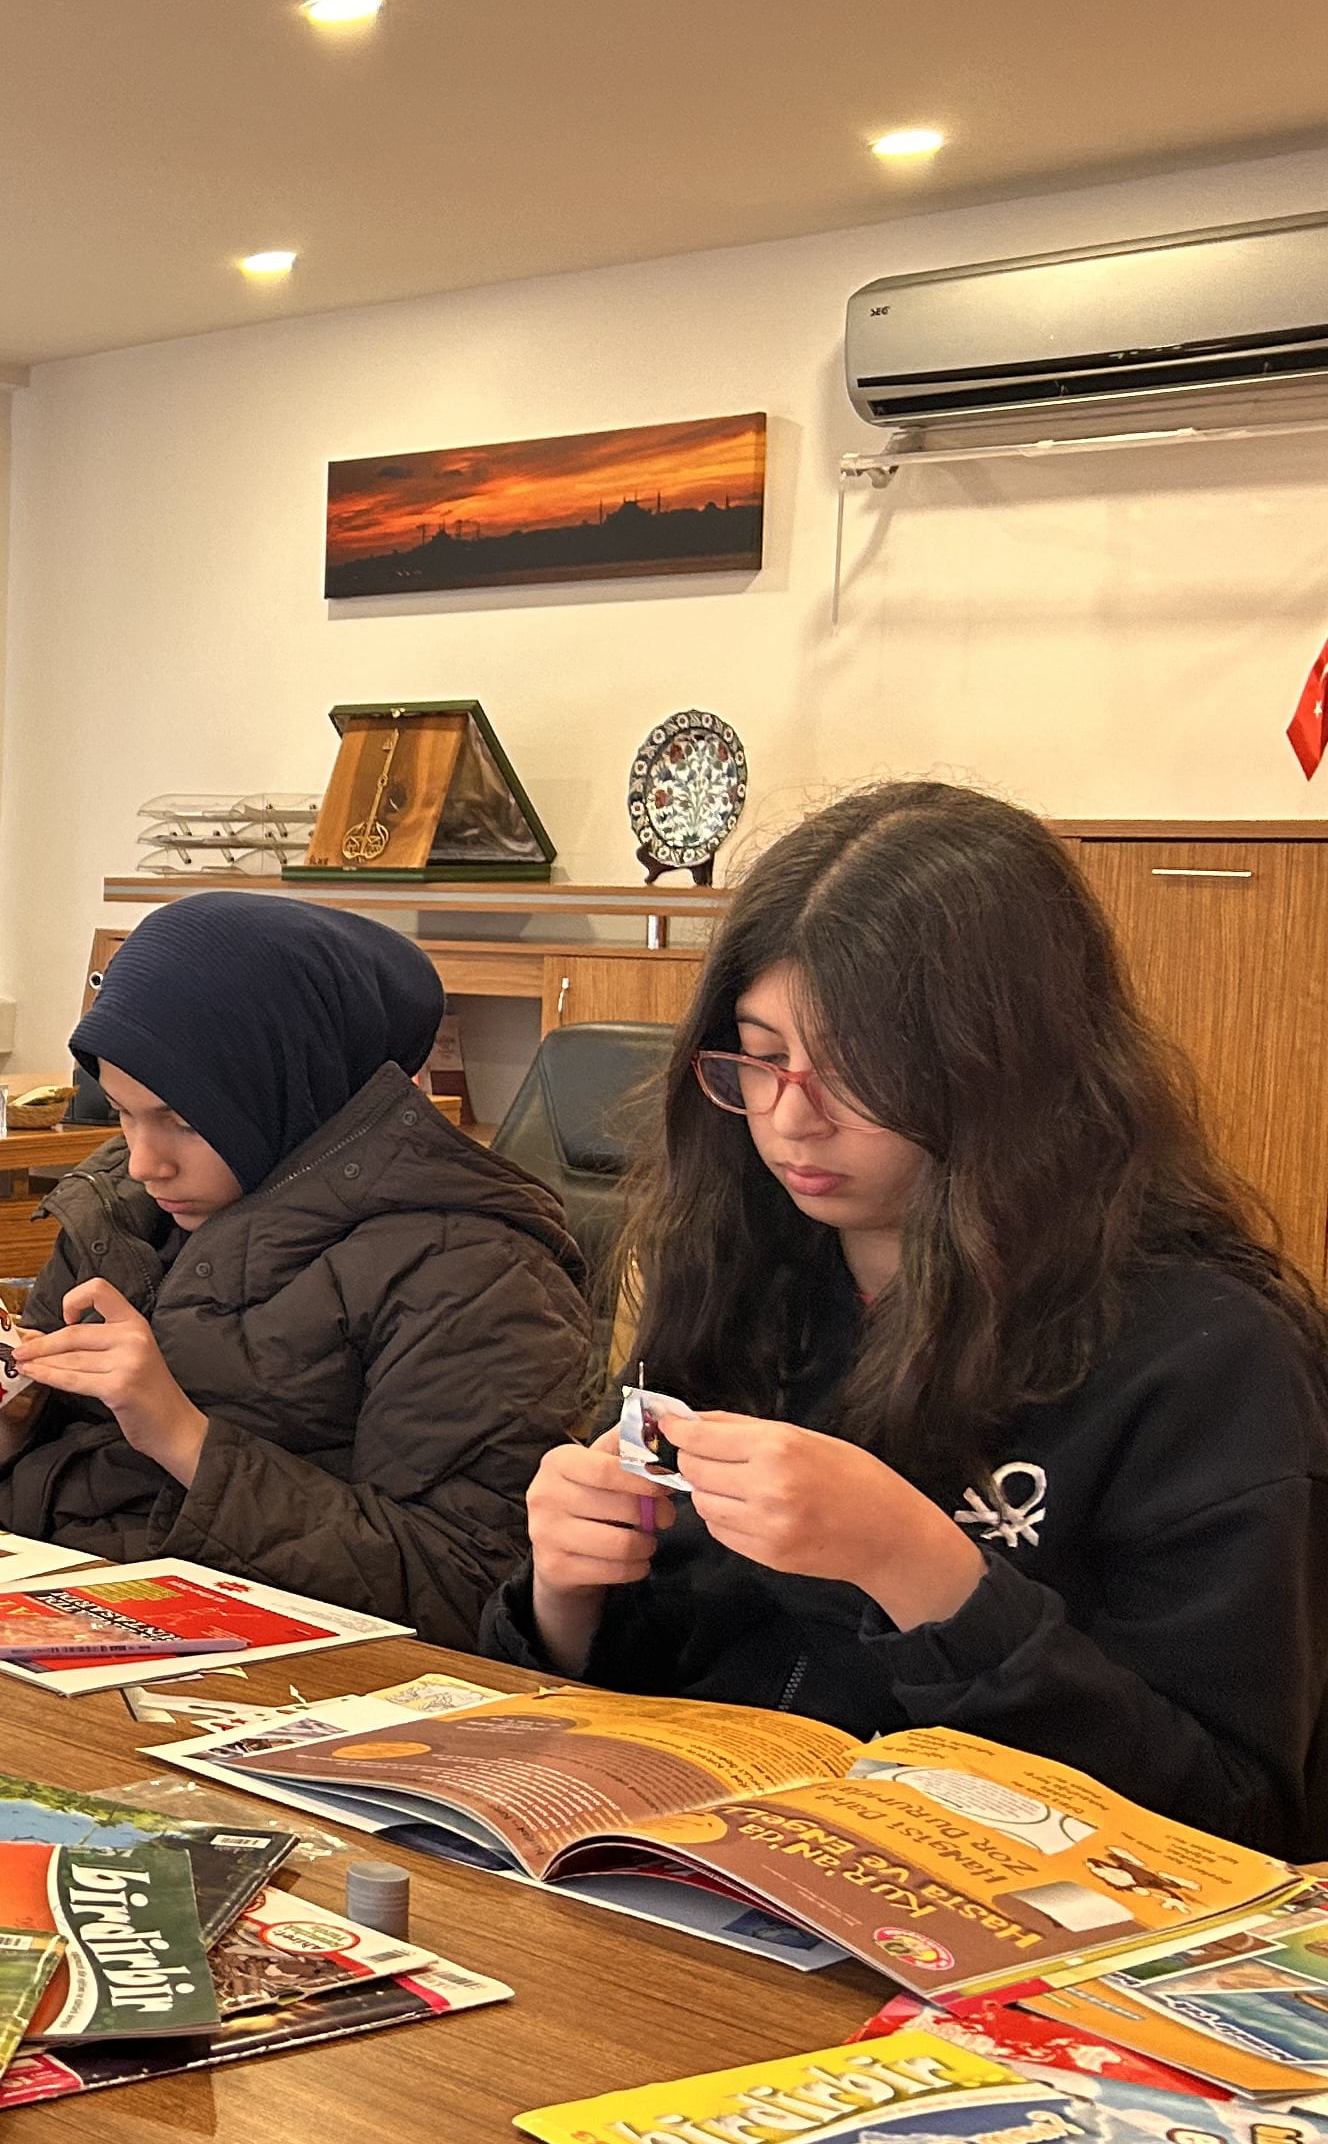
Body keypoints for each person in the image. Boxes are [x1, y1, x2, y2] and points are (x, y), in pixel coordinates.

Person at [509, 781, 1328, 1853]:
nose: (791, 1117)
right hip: (700, 1870)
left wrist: (920, 1571)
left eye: (860, 1072)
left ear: (1007, 1067)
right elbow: (649, 1678)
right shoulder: (740, 1273)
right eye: (760, 1056)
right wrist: (564, 1594)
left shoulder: (1206, 1356)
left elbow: (1238, 1817)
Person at [0, 889, 594, 1647]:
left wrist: (183, 1437)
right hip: (30, 1602)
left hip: (263, 1667)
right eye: (121, 1112)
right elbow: (25, 1487)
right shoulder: (122, 1207)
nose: (143, 1161)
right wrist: (11, 1417)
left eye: (183, 1120)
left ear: (295, 1088)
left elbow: (464, 1587)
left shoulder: (476, 1272)